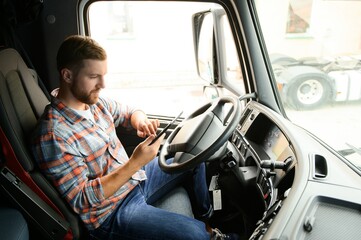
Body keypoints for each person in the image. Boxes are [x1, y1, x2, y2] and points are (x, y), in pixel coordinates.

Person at [31, 35, 238, 240]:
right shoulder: (53, 135)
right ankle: (209, 235)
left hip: (135, 179)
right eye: (94, 77)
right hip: (111, 212)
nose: (102, 84)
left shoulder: (94, 103)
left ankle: (208, 218)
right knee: (194, 235)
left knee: (192, 153)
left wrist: (141, 121)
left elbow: (130, 112)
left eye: (103, 75)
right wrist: (135, 162)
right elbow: (84, 199)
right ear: (67, 76)